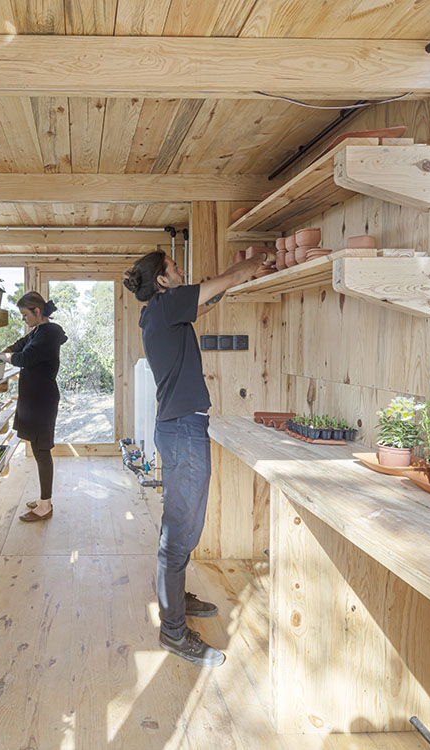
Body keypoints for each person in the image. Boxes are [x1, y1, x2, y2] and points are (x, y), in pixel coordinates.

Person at [122, 250, 263, 667]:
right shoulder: (166, 306)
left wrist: (232, 281)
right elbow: (221, 281)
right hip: (183, 430)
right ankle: (173, 632)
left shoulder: (160, 312)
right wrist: (255, 262)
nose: (183, 272)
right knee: (181, 530)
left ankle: (175, 596)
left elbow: (210, 299)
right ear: (163, 282)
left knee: (181, 523)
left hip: (180, 427)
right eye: (175, 269)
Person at [0, 291, 68, 522]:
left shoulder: (50, 332)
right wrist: (4, 353)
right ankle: (44, 499)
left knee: (42, 450)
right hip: (34, 399)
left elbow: (24, 358)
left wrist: (2, 356)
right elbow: (17, 347)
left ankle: (45, 505)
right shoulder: (37, 332)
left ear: (37, 311)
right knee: (38, 449)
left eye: (25, 315)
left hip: (42, 399)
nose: (23, 319)